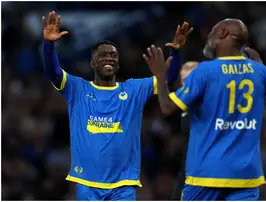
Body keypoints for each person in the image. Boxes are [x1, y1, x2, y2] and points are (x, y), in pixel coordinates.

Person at [41, 11, 191, 200]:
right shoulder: (77, 88)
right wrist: (48, 45)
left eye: (113, 55)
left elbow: (167, 78)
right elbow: (53, 72)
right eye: (102, 54)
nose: (108, 57)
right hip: (87, 183)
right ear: (92, 63)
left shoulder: (134, 89)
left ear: (118, 64)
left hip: (123, 186)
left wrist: (176, 51)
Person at [143, 18, 266, 200]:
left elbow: (167, 108)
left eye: (213, 31)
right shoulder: (261, 72)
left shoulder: (205, 71)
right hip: (246, 177)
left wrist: (160, 77)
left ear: (223, 34)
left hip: (205, 176)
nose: (208, 36)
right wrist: (262, 69)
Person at [170, 61, 199, 200]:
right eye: (184, 80)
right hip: (187, 170)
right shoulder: (184, 108)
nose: (187, 85)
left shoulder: (211, 104)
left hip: (208, 173)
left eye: (192, 79)